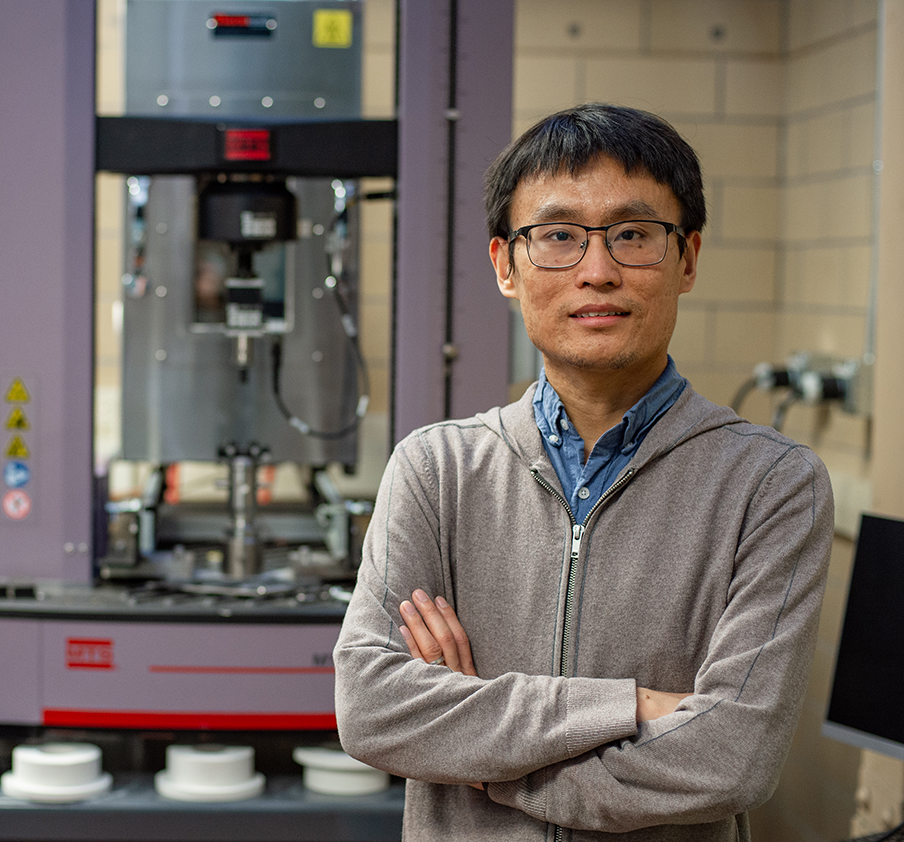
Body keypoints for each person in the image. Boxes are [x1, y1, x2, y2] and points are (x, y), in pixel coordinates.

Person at [333, 103, 833, 842]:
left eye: (634, 235)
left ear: (687, 258)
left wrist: (480, 757)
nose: (597, 272)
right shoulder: (436, 468)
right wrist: (630, 707)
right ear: (506, 264)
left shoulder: (772, 484)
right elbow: (374, 711)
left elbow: (733, 759)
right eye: (559, 237)